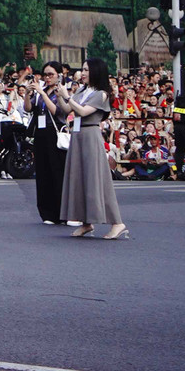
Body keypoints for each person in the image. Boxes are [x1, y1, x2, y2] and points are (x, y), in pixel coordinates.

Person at [50, 59, 127, 239]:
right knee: (79, 178)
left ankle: (117, 222)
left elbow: (83, 112)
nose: (82, 73)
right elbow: (68, 109)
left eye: (86, 70)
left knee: (96, 179)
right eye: (82, 70)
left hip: (90, 136)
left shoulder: (101, 94)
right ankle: (86, 222)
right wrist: (61, 95)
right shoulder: (83, 90)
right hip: (77, 136)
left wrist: (67, 96)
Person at [28, 61, 70, 224]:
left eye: (50, 74)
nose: (47, 78)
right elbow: (29, 108)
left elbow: (58, 111)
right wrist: (28, 94)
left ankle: (62, 211)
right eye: (45, 74)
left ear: (59, 75)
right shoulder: (41, 91)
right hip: (41, 134)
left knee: (57, 172)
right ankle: (47, 212)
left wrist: (42, 94)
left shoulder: (61, 91)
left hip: (55, 133)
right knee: (43, 172)